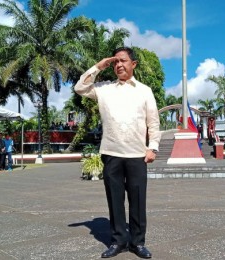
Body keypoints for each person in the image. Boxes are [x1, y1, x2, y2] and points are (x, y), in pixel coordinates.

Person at [74, 46, 160, 259]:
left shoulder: (144, 90)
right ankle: (118, 241)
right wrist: (98, 66)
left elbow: (153, 122)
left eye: (123, 61)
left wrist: (153, 147)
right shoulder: (104, 89)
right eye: (115, 62)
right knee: (115, 199)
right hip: (111, 152)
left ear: (133, 64)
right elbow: (80, 88)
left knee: (138, 200)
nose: (119, 65)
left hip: (137, 154)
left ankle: (138, 243)